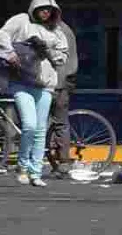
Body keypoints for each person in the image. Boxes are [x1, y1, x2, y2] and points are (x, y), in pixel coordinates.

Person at [0, 0, 69, 188]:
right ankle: (22, 167)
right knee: (29, 125)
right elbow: (2, 35)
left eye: (49, 10)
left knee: (40, 130)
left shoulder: (57, 32)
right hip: (21, 83)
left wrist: (47, 50)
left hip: (45, 85)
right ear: (34, 8)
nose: (45, 12)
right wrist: (9, 53)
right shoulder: (21, 21)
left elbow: (62, 57)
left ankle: (36, 173)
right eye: (41, 8)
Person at [48, 11, 79, 178]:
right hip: (59, 83)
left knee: (59, 123)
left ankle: (64, 161)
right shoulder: (64, 30)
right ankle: (58, 161)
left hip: (59, 84)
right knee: (55, 124)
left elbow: (63, 63)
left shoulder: (60, 31)